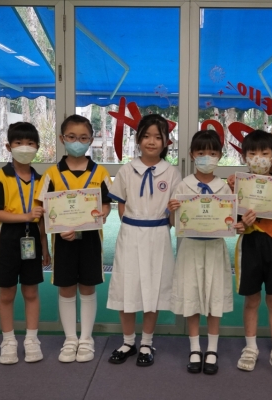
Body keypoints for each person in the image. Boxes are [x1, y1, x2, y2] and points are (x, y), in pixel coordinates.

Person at [107, 114, 182, 367]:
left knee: (154, 288)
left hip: (158, 236)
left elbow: (175, 215)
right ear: (138, 139)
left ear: (166, 141)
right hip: (130, 235)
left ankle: (147, 342)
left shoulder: (172, 173)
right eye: (146, 136)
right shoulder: (127, 170)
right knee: (126, 286)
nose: (151, 141)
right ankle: (128, 342)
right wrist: (132, 224)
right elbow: (121, 206)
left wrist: (170, 216)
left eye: (157, 137)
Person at [36, 115, 112, 363]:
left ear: (91, 140)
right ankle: (70, 339)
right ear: (62, 139)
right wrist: (50, 239)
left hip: (91, 241)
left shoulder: (100, 172)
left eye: (83, 138)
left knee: (88, 286)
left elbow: (107, 205)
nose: (77, 142)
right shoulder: (51, 174)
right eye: (71, 137)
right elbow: (43, 210)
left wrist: (103, 213)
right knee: (67, 288)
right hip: (63, 241)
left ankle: (86, 339)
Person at [0, 121, 50, 365]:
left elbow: (43, 218)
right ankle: (8, 341)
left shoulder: (42, 180)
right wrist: (25, 216)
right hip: (7, 240)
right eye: (19, 142)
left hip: (33, 240)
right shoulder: (0, 177)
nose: (24, 147)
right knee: (7, 293)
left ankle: (31, 339)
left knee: (31, 291)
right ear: (8, 146)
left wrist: (45, 247)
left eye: (30, 143)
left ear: (37, 147)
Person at [168, 130, 234, 375]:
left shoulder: (224, 188)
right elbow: (174, 223)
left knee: (214, 295)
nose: (207, 157)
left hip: (215, 248)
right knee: (192, 294)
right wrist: (172, 210)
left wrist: (234, 223)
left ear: (220, 156)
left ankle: (212, 348)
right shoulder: (183, 185)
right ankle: (195, 347)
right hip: (190, 248)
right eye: (202, 152)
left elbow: (230, 221)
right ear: (192, 154)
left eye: (213, 153)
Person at [233, 130, 272, 377]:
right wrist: (242, 224)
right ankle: (250, 348)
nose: (258, 158)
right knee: (251, 300)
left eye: (264, 153)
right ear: (244, 157)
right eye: (252, 153)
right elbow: (233, 225)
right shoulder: (239, 188)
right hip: (249, 249)